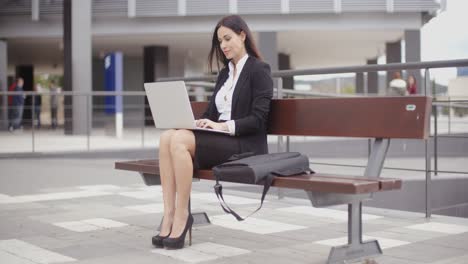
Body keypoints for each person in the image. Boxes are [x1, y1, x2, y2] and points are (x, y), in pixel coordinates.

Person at [152, 15, 273, 249]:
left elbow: (259, 120)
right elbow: (210, 113)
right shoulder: (224, 74)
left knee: (178, 141)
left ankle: (182, 216)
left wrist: (222, 126)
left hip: (244, 144)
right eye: (220, 41)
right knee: (168, 136)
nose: (223, 45)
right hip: (221, 139)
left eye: (227, 38)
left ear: (242, 35)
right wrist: (196, 122)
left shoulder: (259, 70)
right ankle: (168, 214)